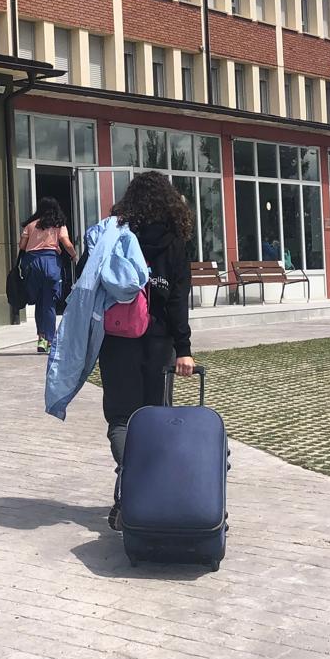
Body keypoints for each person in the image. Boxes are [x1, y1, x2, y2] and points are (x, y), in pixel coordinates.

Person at [95, 172, 197, 527]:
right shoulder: (175, 241)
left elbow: (87, 281)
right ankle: (148, 496)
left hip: (117, 338)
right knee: (155, 420)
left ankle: (127, 494)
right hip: (159, 341)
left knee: (122, 419)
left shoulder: (114, 234)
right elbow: (178, 300)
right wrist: (183, 348)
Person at [18, 197, 77, 354]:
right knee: (49, 303)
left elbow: (22, 246)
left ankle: (41, 339)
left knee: (39, 302)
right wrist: (73, 255)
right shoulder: (58, 225)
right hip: (51, 263)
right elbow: (66, 242)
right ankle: (50, 340)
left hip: (32, 264)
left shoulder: (31, 225)